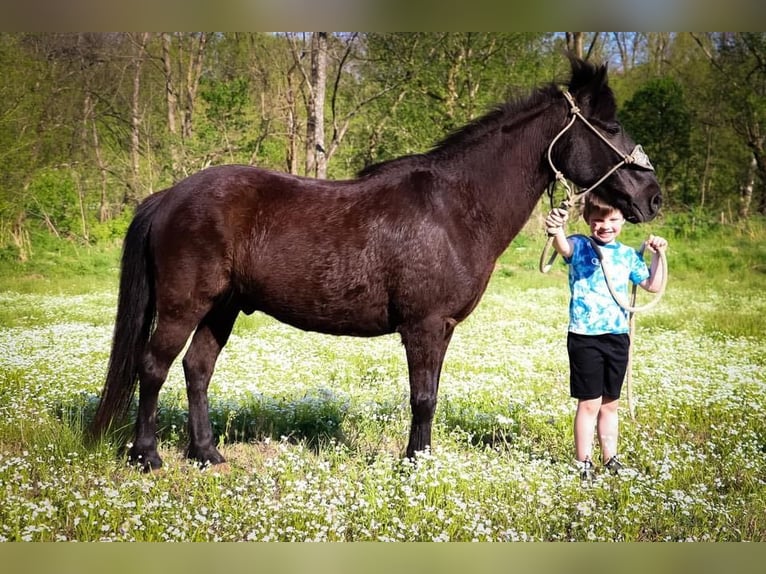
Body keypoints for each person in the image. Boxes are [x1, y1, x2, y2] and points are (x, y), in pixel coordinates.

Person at [544, 194, 667, 481]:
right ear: (587, 220)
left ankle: (610, 458)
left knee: (610, 404)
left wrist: (658, 254)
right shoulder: (580, 245)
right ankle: (583, 462)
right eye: (598, 220)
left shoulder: (627, 255)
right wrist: (556, 228)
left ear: (623, 220)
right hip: (585, 337)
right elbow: (563, 247)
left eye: (613, 219)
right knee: (589, 403)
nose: (605, 226)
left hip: (617, 336)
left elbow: (652, 284)